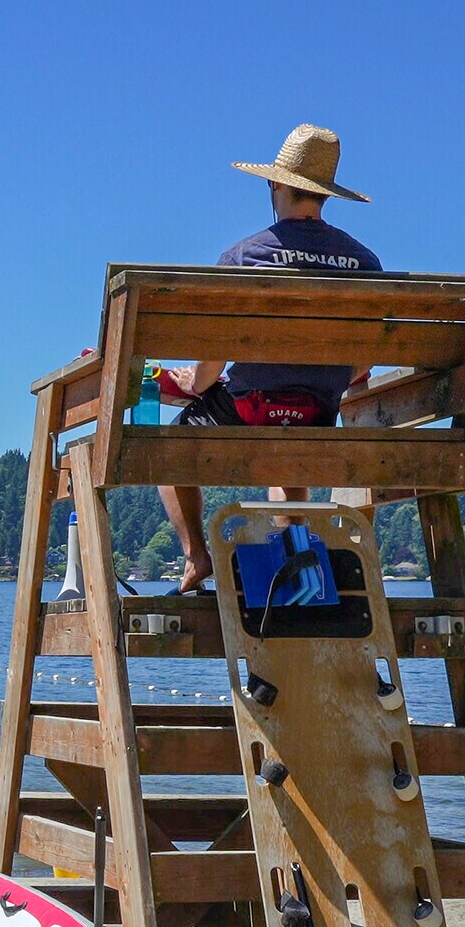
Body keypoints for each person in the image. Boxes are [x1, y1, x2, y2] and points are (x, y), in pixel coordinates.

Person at [159, 123, 382, 593]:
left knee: (168, 447)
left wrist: (195, 383)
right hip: (317, 414)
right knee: (292, 443)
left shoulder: (243, 257)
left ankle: (197, 559)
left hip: (250, 409)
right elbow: (363, 366)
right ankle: (293, 559)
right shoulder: (364, 263)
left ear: (276, 185)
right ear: (324, 195)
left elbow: (212, 363)